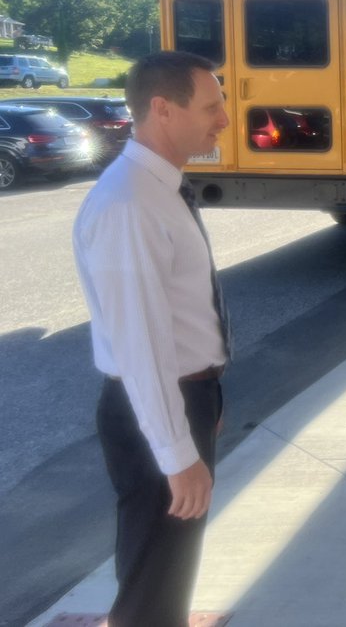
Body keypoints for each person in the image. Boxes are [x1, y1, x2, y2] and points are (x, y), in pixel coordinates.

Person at [73, 50, 232, 627]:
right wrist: (176, 451)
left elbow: (179, 318)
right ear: (163, 109)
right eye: (212, 106)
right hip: (154, 410)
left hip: (181, 399)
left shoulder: (156, 191)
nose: (224, 119)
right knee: (153, 582)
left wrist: (204, 402)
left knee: (167, 569)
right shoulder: (129, 205)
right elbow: (139, 346)